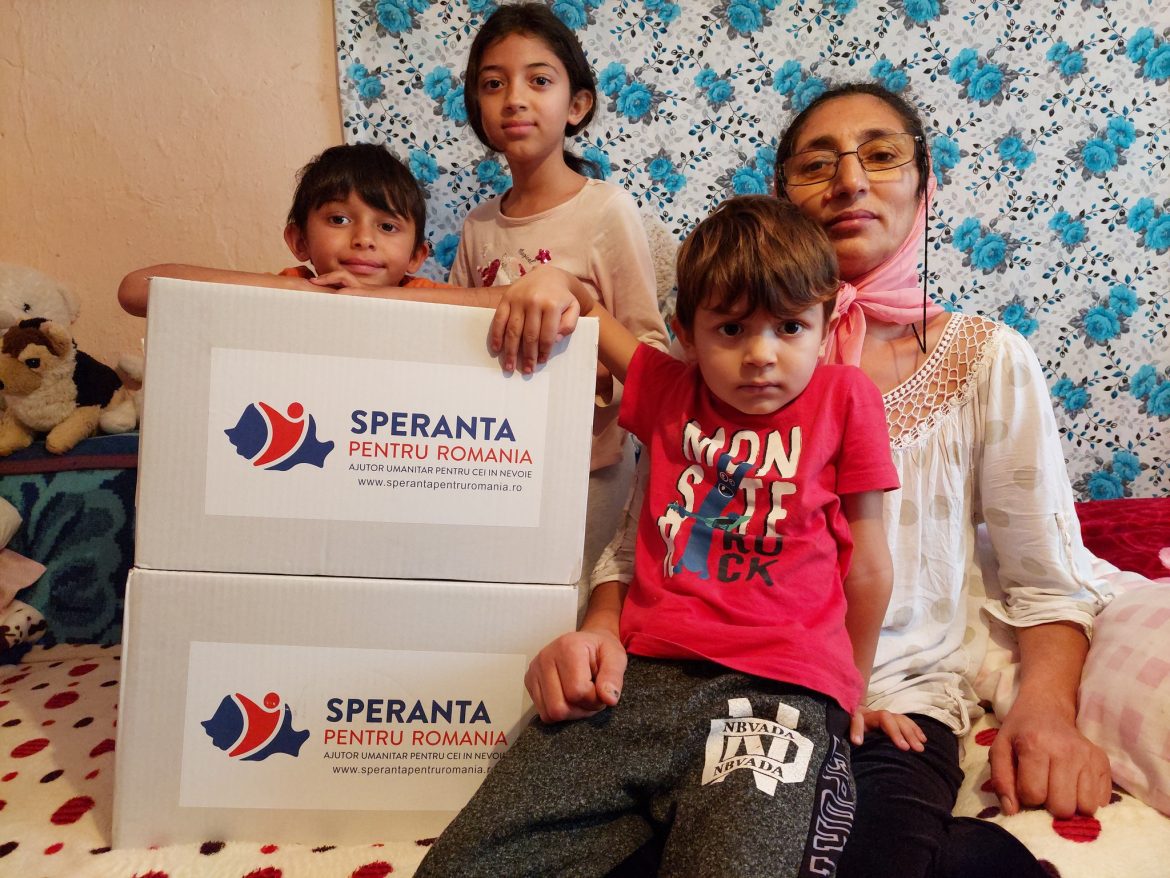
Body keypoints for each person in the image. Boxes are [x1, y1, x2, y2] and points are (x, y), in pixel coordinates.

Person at [531, 83, 1114, 878]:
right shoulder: (718, 366)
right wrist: (602, 630)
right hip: (692, 681)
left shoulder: (987, 358)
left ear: (924, 184)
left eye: (881, 155)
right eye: (817, 164)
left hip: (888, 706)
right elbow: (650, 541)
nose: (850, 180)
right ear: (782, 196)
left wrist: (1046, 712)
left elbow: (1047, 580)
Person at [416, 195, 900, 878]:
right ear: (687, 334)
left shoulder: (846, 398)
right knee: (465, 864)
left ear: (825, 330)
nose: (761, 355)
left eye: (790, 327)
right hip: (638, 679)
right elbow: (589, 311)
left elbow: (869, 563)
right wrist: (553, 280)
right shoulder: (670, 388)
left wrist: (852, 691)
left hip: (780, 692)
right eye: (731, 329)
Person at [449, 2, 668, 614]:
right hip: (493, 464)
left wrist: (585, 373)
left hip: (587, 474)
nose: (514, 99)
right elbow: (457, 335)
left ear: (577, 105)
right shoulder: (478, 226)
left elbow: (652, 352)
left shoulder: (605, 210)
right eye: (494, 84)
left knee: (570, 615)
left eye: (539, 80)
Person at [117, 143, 579, 367]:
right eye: (338, 219)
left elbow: (515, 303)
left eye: (387, 226)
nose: (363, 239)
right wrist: (307, 294)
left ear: (417, 256)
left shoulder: (426, 296)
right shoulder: (291, 287)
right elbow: (136, 289)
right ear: (299, 241)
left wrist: (376, 298)